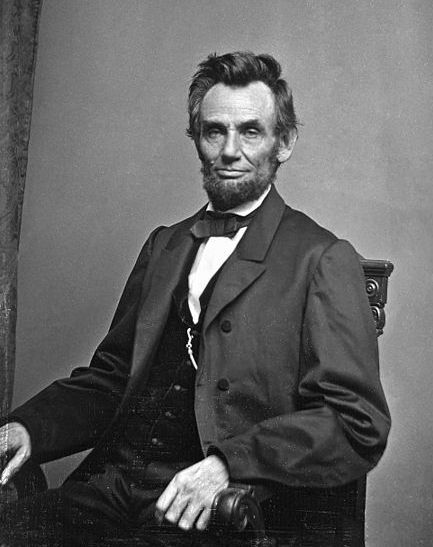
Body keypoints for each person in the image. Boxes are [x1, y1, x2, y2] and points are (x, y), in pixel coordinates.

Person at [0, 51, 390, 546]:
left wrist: (229, 465)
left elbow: (356, 422)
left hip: (217, 514)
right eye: (214, 132)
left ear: (285, 142)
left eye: (251, 131)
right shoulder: (165, 244)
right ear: (197, 140)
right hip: (113, 489)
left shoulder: (322, 258)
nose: (230, 150)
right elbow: (111, 379)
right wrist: (29, 427)